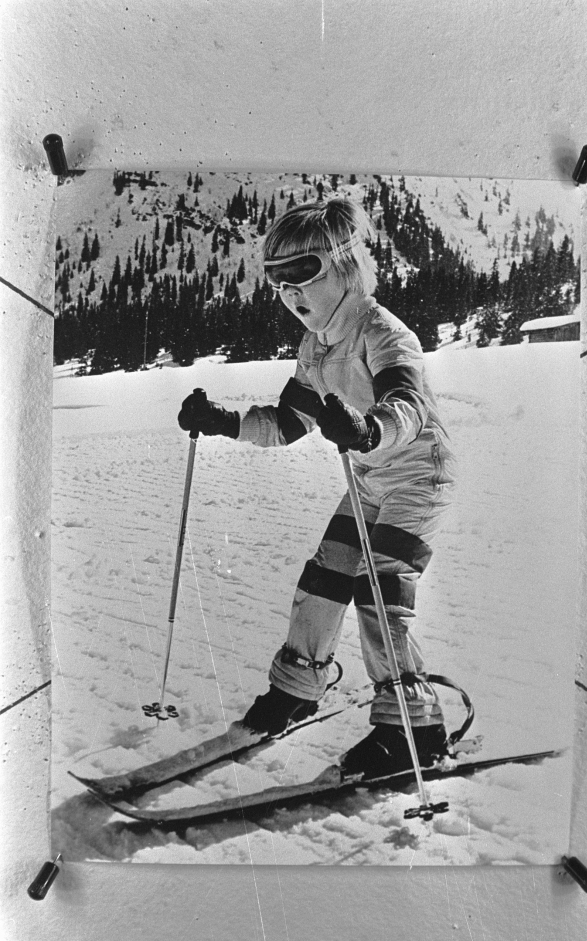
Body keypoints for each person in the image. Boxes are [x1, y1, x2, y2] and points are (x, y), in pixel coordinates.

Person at [178, 196, 456, 777]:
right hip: (370, 479)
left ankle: (414, 728)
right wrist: (223, 421)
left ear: (346, 266)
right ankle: (298, 689)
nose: (288, 292)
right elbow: (286, 423)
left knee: (380, 593)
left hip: (417, 474)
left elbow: (408, 405)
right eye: (276, 280)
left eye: (302, 273)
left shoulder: (383, 334)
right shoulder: (316, 348)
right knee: (324, 580)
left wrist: (366, 427)